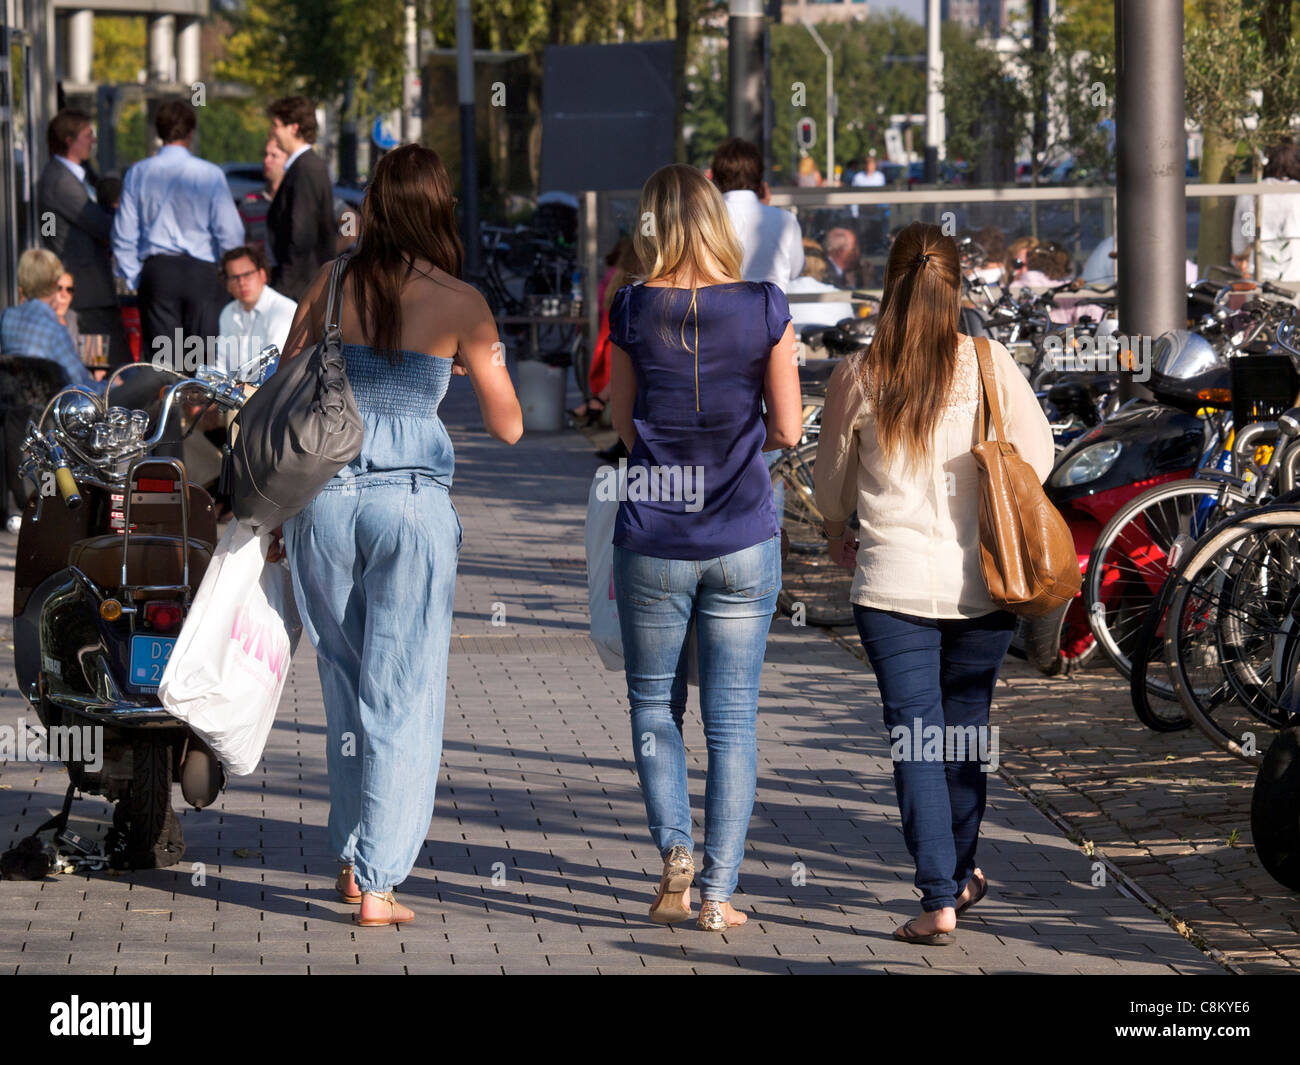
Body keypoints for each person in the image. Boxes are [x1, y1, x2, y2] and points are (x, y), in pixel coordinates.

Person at [276, 143, 522, 927]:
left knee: (346, 687)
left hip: (324, 502)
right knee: (403, 691)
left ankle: (352, 860)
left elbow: (286, 381)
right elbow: (510, 425)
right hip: (409, 506)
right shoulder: (461, 300)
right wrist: (461, 362)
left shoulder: (332, 280)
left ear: (376, 204)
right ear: (439, 207)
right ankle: (379, 882)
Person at [813, 222, 1053, 945]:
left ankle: (939, 895)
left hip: (891, 589)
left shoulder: (859, 373)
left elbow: (829, 487)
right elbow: (1038, 455)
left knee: (917, 739)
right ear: (957, 290)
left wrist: (835, 529)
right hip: (984, 581)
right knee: (966, 732)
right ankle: (959, 872)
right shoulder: (987, 361)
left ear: (889, 283)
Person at [607, 163, 802, 932]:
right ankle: (719, 894)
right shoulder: (763, 307)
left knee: (655, 703)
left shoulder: (631, 307)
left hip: (656, 531)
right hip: (742, 534)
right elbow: (787, 429)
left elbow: (623, 424)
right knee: (733, 720)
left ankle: (675, 854)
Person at [111, 99, 245, 368]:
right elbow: (230, 233)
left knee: (164, 367)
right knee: (202, 364)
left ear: (158, 132)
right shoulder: (210, 174)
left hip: (158, 273)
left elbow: (123, 235)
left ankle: (168, 410)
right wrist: (224, 273)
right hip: (203, 274)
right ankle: (197, 409)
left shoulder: (138, 173)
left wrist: (136, 276)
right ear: (191, 133)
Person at [37, 109, 130, 368]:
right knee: (100, 369)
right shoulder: (60, 181)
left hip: (94, 291)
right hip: (87, 296)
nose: (94, 141)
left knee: (110, 366)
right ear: (69, 140)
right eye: (88, 135)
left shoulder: (80, 174)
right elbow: (101, 225)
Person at [266, 96, 337, 301]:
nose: (273, 131)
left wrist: (283, 290)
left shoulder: (305, 169)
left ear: (294, 128)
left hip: (300, 289)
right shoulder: (306, 167)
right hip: (303, 285)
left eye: (276, 125)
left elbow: (301, 236)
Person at [710, 138, 804, 291]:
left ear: (716, 178)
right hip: (772, 310)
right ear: (759, 177)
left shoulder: (708, 218)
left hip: (722, 308)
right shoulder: (785, 220)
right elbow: (795, 270)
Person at [0, 249, 95, 386]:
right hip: (47, 404)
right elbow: (80, 383)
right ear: (54, 284)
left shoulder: (6, 317)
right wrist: (115, 386)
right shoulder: (54, 329)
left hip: (12, 402)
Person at [573, 235, 637, 425]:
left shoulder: (613, 278)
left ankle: (597, 404)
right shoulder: (635, 289)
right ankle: (598, 404)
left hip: (609, 346)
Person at [215, 244, 297, 377]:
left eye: (247, 274)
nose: (241, 283)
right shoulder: (228, 312)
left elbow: (274, 367)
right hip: (240, 392)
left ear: (263, 275)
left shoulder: (283, 309)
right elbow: (222, 365)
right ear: (228, 285)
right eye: (234, 278)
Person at [1232, 142, 1300, 284]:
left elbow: (1241, 243)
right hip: (1295, 277)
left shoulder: (1250, 196)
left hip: (1260, 277)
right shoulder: (1297, 194)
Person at [238, 137, 289, 257]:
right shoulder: (250, 202)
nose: (266, 160)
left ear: (288, 160)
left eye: (273, 156)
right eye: (265, 155)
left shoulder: (301, 197)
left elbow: (341, 215)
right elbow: (237, 243)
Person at [785, 242, 854, 329]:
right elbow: (849, 327)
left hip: (788, 341)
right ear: (822, 265)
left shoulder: (777, 294)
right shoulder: (838, 296)